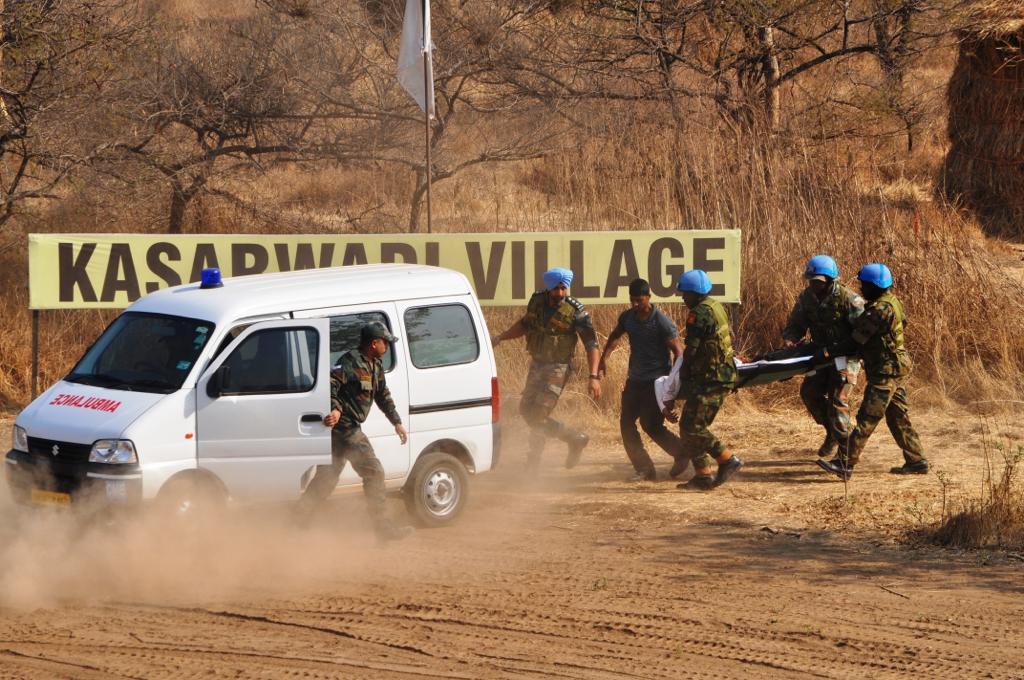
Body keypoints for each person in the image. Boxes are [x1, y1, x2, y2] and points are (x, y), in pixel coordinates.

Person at [296, 321, 415, 541]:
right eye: (385, 342)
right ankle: (383, 529)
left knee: (327, 478)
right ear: (374, 343)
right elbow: (331, 384)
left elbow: (382, 395)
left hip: (347, 429)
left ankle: (296, 523)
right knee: (374, 471)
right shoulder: (350, 361)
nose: (387, 347)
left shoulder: (375, 365)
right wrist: (336, 409)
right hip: (345, 428)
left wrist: (396, 422)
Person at [817, 263, 928, 480]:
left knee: (867, 417)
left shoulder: (878, 311)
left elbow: (855, 342)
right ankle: (917, 460)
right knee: (898, 417)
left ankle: (845, 463)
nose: (861, 288)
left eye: (864, 285)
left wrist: (827, 352)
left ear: (873, 286)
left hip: (885, 371)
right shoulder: (892, 302)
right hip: (895, 366)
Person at [492, 267, 601, 472]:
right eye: (556, 289)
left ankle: (532, 465)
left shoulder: (576, 312)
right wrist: (500, 337)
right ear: (548, 287)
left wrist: (593, 376)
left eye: (563, 288)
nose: (560, 293)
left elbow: (591, 345)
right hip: (537, 364)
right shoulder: (537, 301)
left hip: (558, 368)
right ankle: (574, 438)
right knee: (526, 410)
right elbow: (525, 325)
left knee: (539, 414)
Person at [599, 278, 688, 481]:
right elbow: (615, 336)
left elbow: (678, 352)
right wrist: (604, 359)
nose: (636, 304)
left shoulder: (661, 322)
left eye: (640, 300)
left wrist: (671, 383)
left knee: (650, 424)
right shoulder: (628, 317)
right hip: (635, 380)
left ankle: (682, 453)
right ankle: (644, 468)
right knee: (626, 424)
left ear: (648, 297)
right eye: (633, 300)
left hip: (655, 382)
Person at [662, 270, 744, 491]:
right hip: (720, 375)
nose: (682, 298)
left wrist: (682, 373)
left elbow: (691, 350)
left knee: (692, 426)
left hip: (713, 378)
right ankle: (703, 476)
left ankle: (726, 459)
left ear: (695, 293)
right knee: (690, 426)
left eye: (685, 294)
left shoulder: (698, 313)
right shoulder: (716, 306)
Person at [781, 255, 865, 459]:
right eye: (811, 280)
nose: (814, 285)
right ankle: (833, 433)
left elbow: (862, 334)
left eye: (818, 281)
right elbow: (796, 323)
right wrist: (791, 338)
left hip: (845, 357)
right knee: (809, 393)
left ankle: (846, 455)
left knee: (837, 403)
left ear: (830, 280)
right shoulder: (806, 297)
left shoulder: (850, 300)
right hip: (820, 356)